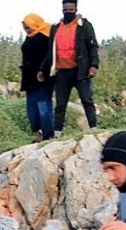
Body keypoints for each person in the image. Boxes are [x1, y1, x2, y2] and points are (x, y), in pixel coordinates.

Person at [37, 0, 99, 138]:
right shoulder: (56, 27)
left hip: (81, 71)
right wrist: (43, 69)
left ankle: (94, 129)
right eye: (65, 9)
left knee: (87, 101)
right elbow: (50, 51)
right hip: (62, 72)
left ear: (76, 9)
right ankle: (57, 133)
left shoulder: (85, 26)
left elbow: (92, 46)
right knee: (60, 105)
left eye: (71, 9)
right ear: (62, 9)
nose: (68, 12)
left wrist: (93, 66)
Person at [21, 14, 54, 143]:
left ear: (35, 24)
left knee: (43, 105)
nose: (27, 30)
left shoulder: (46, 36)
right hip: (30, 78)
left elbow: (50, 57)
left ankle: (48, 134)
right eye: (25, 28)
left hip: (43, 78)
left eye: (28, 27)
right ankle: (39, 133)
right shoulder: (30, 37)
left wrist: (43, 71)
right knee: (32, 108)